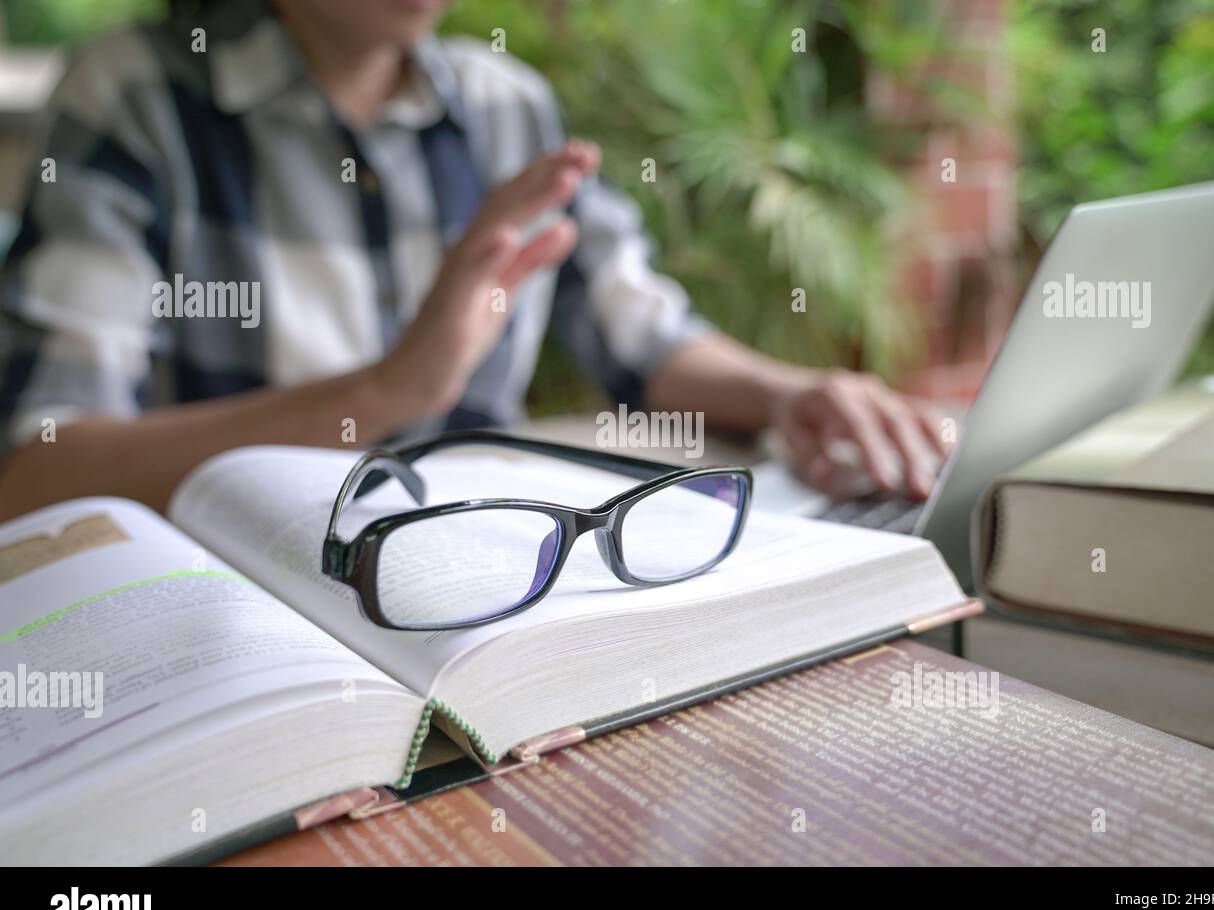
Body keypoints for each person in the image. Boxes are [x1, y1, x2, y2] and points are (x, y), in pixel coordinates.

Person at [0, 0, 946, 522]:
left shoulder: (507, 106)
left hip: (489, 589)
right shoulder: (137, 97)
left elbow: (644, 338)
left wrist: (791, 395)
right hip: (238, 630)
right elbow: (38, 467)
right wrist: (383, 392)